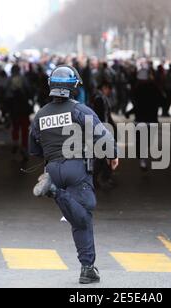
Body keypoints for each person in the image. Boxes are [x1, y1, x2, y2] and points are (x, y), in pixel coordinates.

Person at [29, 66, 119, 284]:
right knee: (83, 218)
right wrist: (112, 155)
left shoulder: (40, 115)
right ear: (73, 87)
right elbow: (103, 136)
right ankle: (87, 267)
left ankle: (54, 189)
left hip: (53, 169)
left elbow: (33, 149)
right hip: (76, 168)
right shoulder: (81, 110)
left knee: (75, 218)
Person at [90, 81, 117, 190]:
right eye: (109, 89)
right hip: (101, 132)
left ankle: (98, 179)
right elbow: (100, 116)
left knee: (102, 157)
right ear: (105, 87)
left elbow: (107, 116)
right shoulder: (99, 99)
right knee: (104, 156)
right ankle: (101, 178)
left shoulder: (101, 98)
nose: (110, 92)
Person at [6, 64, 32, 162]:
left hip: (13, 108)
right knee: (24, 129)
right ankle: (24, 149)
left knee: (15, 127)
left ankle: (15, 143)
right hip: (24, 107)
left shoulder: (9, 80)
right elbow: (29, 91)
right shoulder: (23, 79)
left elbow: (6, 93)